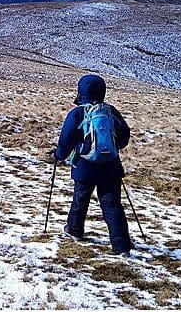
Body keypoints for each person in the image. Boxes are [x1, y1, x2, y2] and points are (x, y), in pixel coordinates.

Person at [53, 74, 133, 257]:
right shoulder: (110, 111)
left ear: (81, 92)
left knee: (80, 200)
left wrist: (59, 155)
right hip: (111, 167)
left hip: (84, 166)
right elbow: (124, 135)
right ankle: (122, 247)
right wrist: (111, 148)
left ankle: (74, 231)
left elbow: (66, 140)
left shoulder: (78, 113)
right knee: (112, 205)